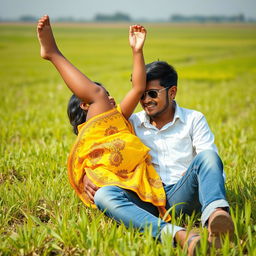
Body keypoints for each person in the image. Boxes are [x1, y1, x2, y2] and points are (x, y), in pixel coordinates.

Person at [83, 61, 235, 252]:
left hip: (184, 194)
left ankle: (216, 217)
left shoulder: (194, 119)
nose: (146, 100)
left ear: (172, 92)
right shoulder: (132, 123)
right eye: (142, 95)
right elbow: (100, 145)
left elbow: (210, 165)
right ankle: (178, 235)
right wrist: (88, 173)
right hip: (148, 198)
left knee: (208, 156)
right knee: (104, 195)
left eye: (153, 93)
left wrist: (201, 180)